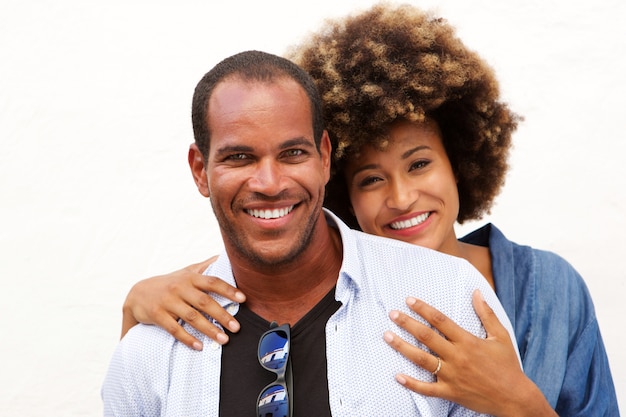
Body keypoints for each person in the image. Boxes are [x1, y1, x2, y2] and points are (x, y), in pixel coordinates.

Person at [119, 4, 619, 416]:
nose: (400, 198)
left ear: (461, 161)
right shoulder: (183, 321)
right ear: (339, 183)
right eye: (371, 179)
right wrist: (135, 308)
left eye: (419, 164)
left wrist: (518, 401)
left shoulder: (530, 290)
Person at [102, 49, 517, 416]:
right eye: (240, 157)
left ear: (324, 157)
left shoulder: (450, 298)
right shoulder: (154, 347)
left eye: (293, 153)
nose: (268, 182)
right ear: (200, 170)